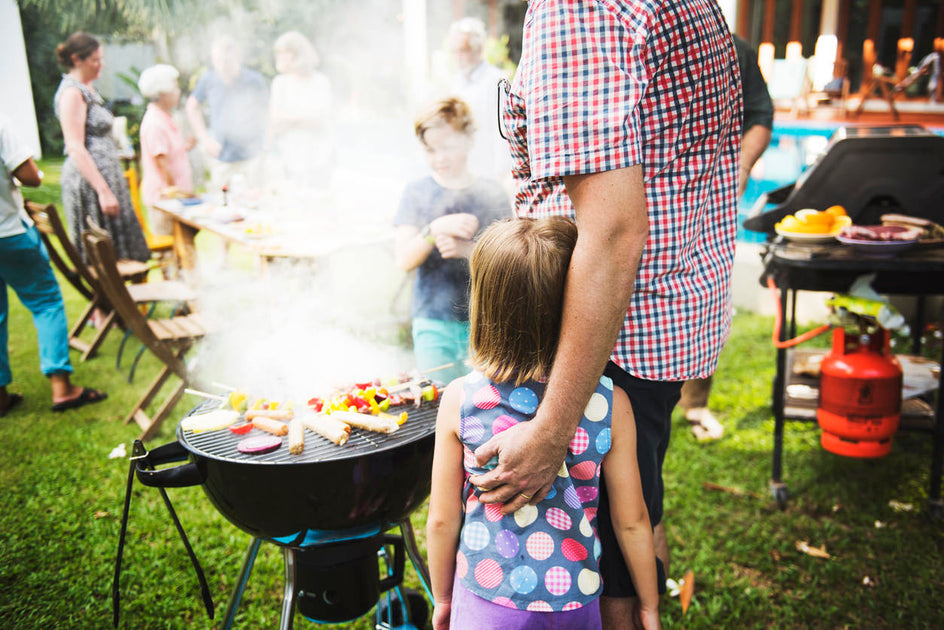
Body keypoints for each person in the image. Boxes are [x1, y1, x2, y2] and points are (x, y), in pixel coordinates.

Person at [474, 3, 741, 628]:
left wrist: (551, 431)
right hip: (657, 321)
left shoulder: (581, 5)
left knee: (603, 562)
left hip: (608, 335)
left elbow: (614, 230)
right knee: (638, 509)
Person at [427, 217, 661, 630]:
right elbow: (632, 521)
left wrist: (443, 598)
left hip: (486, 602)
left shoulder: (460, 400)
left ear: (484, 303)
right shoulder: (611, 403)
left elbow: (443, 519)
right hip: (575, 602)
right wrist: (648, 605)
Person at [679, 33, 773, 441]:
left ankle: (696, 406)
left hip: (708, 201)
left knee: (706, 298)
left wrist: (741, 167)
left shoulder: (735, 48)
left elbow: (759, 116)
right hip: (640, 199)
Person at [393, 97, 510, 384]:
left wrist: (468, 250)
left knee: (483, 402)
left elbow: (510, 265)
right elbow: (403, 260)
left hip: (485, 323)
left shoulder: (491, 193)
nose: (439, 158)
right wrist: (433, 229)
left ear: (469, 140)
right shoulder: (417, 193)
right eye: (430, 150)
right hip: (433, 322)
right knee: (440, 402)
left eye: (447, 148)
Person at [0, 112, 107, 415]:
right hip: (7, 232)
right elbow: (31, 176)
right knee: (46, 302)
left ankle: (0, 396)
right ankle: (62, 387)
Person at [53, 32, 150, 264]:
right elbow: (75, 146)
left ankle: (122, 298)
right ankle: (112, 298)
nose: (101, 65)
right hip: (91, 186)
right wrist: (103, 190)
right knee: (105, 257)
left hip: (106, 178)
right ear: (77, 59)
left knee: (121, 251)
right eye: (95, 60)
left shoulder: (87, 89)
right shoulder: (72, 93)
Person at [185, 34, 268, 190]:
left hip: (253, 156)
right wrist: (204, 138)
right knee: (223, 206)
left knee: (256, 202)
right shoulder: (208, 80)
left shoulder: (254, 80)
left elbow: (267, 113)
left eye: (226, 60)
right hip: (221, 157)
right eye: (217, 61)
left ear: (237, 57)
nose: (221, 66)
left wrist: (266, 145)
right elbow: (191, 106)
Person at [445, 18, 513, 186]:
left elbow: (503, 130)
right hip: (464, 168)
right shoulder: (456, 81)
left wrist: (502, 171)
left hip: (490, 169)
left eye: (462, 51)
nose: (457, 57)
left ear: (478, 49)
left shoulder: (495, 80)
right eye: (454, 51)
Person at [268, 31, 335, 187]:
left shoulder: (320, 82)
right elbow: (276, 122)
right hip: (290, 158)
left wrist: (289, 120)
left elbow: (321, 120)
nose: (282, 57)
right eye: (280, 53)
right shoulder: (280, 83)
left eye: (286, 52)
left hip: (320, 159)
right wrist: (305, 118)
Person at [138, 64, 195, 236]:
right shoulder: (155, 122)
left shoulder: (165, 117)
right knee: (171, 251)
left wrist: (186, 147)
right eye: (175, 87)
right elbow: (162, 164)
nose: (178, 92)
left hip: (175, 200)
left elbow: (170, 154)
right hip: (165, 202)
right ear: (163, 92)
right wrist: (178, 195)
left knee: (183, 248)